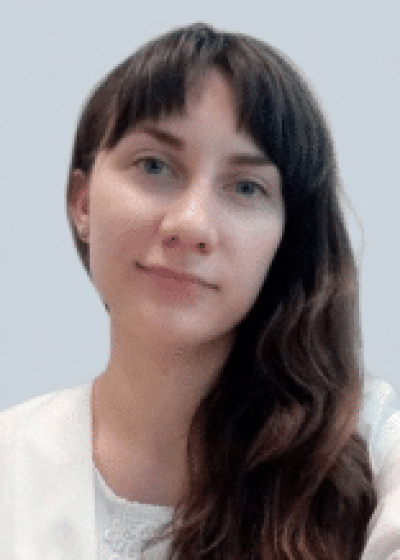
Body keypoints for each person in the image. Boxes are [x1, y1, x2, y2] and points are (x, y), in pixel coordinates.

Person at [1, 21, 400, 560]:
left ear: (287, 237)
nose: (191, 224)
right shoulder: (12, 462)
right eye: (154, 165)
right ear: (83, 202)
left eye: (246, 187)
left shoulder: (375, 448)